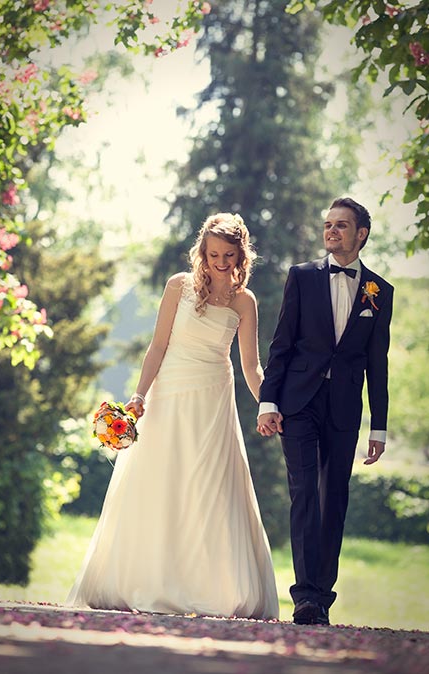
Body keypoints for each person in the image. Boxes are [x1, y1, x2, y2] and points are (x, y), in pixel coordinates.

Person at [67, 213, 279, 620]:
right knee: (160, 482)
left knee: (208, 488)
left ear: (241, 256)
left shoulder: (244, 301)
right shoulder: (178, 287)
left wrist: (266, 405)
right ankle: (145, 580)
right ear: (203, 251)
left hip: (213, 399)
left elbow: (252, 366)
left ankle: (206, 587)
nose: (220, 262)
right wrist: (139, 394)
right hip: (168, 395)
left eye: (228, 255)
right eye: (213, 253)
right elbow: (157, 346)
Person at [257, 197, 393, 626]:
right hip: (298, 402)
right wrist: (268, 400)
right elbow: (282, 343)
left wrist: (380, 426)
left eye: (341, 225)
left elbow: (378, 361)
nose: (331, 231)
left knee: (334, 496)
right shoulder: (302, 277)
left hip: (344, 407)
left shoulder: (379, 291)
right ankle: (304, 598)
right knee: (304, 494)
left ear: (361, 234)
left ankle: (322, 596)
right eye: (328, 225)